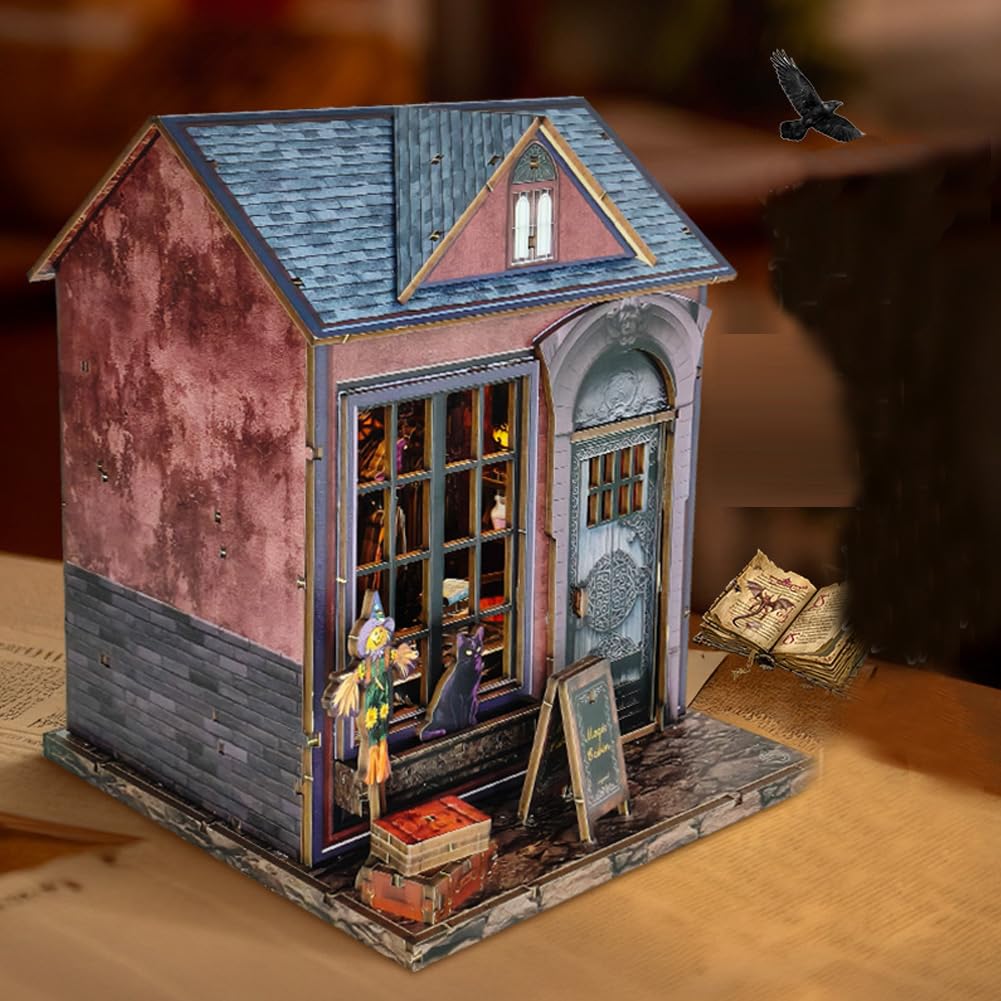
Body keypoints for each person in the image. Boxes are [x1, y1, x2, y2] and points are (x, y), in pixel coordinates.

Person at [322, 590, 417, 820]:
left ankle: (380, 792)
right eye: (375, 634)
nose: (380, 637)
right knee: (371, 739)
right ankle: (373, 788)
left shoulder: (386, 657)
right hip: (371, 708)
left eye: (382, 633)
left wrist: (404, 658)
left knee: (380, 737)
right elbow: (349, 680)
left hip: (383, 706)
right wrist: (345, 689)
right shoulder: (364, 666)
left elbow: (405, 661)